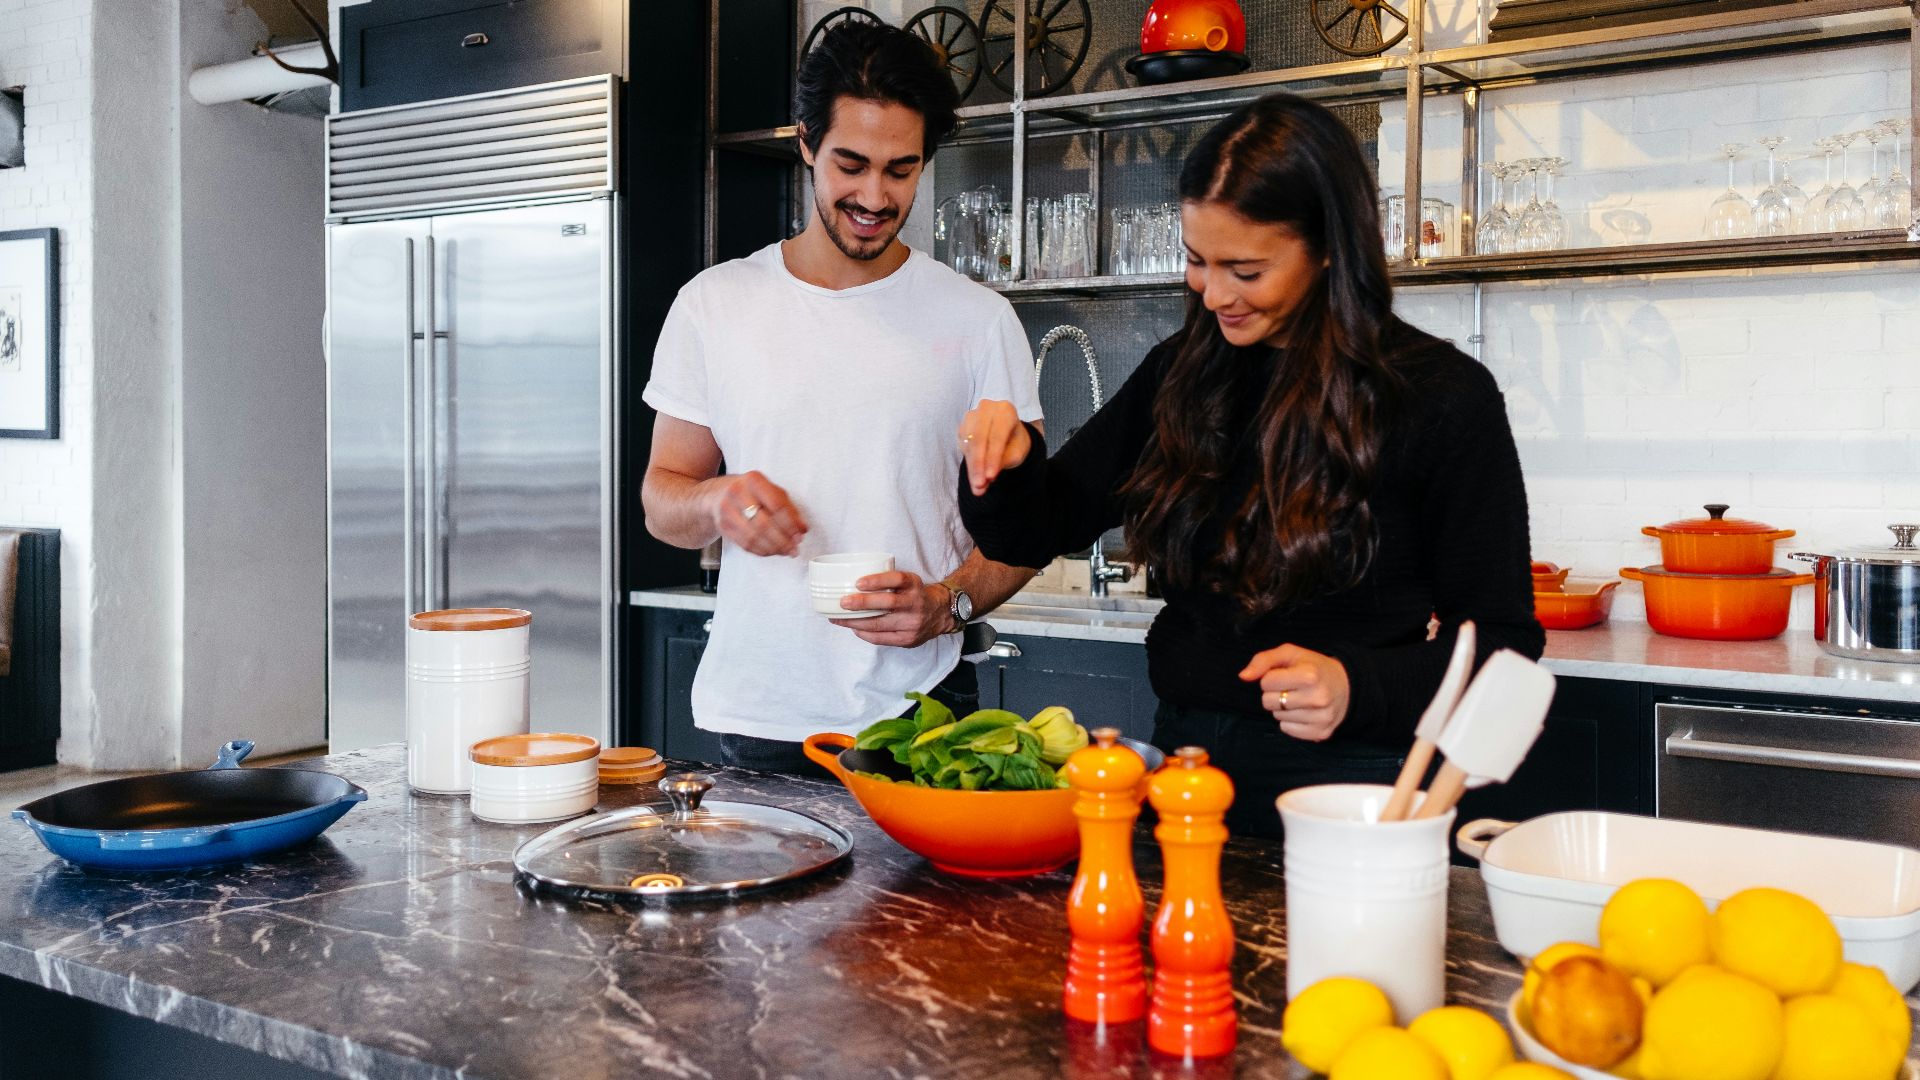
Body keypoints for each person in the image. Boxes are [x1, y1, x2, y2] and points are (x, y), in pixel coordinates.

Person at [955, 93, 1543, 838]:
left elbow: (1504, 643)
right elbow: (1037, 530)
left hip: (1354, 785)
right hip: (1185, 772)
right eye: (1197, 262)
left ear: (1328, 248)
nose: (1214, 294)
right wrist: (1006, 465)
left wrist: (1357, 685)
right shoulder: (1180, 374)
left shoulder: (1441, 397)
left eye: (1246, 269)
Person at [641, 23, 1042, 772]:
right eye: (850, 165)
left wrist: (948, 603)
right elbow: (662, 501)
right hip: (758, 713)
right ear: (806, 142)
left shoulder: (978, 319)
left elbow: (1032, 525)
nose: (874, 196)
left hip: (920, 712)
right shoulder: (714, 304)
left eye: (901, 170)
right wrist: (717, 501)